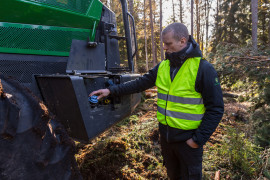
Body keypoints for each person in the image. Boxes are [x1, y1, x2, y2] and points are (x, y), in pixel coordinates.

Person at [89, 23, 224, 180]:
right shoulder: (163, 66)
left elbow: (216, 109)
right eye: (163, 44)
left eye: (168, 44)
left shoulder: (203, 69)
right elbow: (140, 83)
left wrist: (197, 140)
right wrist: (111, 91)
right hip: (167, 139)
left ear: (182, 40)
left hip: (188, 142)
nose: (165, 48)